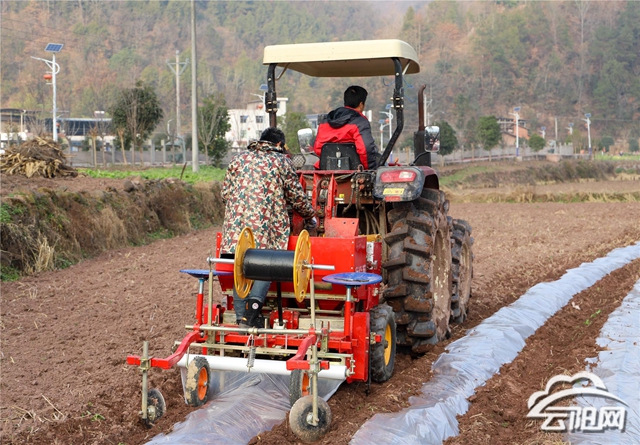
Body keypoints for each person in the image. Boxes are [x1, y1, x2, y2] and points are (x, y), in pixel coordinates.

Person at [221, 127, 316, 328]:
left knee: (241, 267)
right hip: (266, 226)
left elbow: (225, 194)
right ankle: (250, 316)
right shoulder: (281, 161)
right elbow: (297, 197)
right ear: (279, 144)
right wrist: (310, 215)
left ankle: (241, 318)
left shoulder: (238, 159)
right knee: (266, 264)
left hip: (236, 228)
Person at [313, 85, 380, 170]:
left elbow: (318, 149)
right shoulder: (360, 122)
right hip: (355, 171)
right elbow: (366, 149)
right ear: (361, 104)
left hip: (327, 170)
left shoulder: (325, 121)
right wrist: (370, 168)